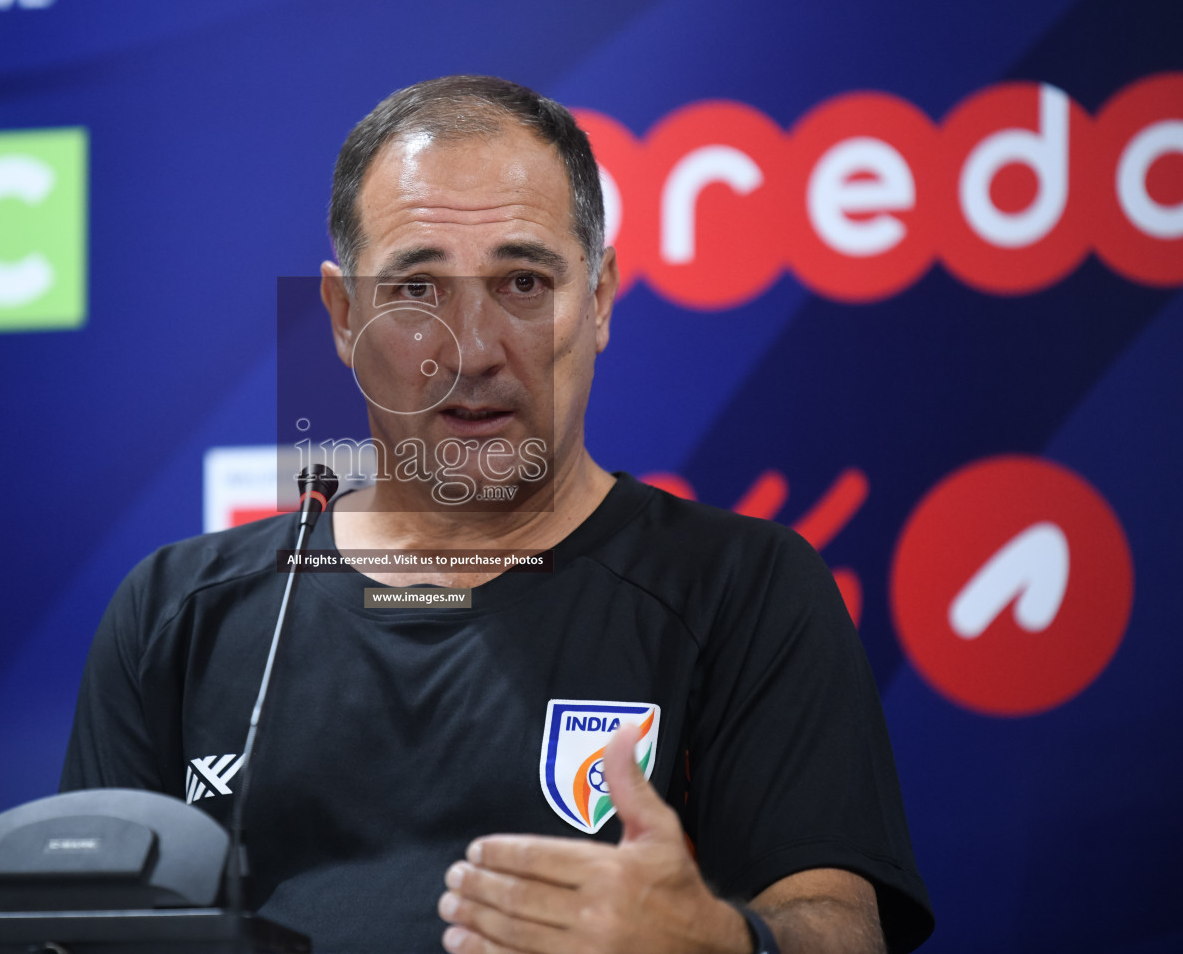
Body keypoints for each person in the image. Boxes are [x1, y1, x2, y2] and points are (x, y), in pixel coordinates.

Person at [61, 76, 933, 954]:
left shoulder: (744, 589)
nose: (471, 352)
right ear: (342, 315)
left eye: (522, 282)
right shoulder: (177, 611)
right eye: (417, 290)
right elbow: (77, 931)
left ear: (597, 300)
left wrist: (720, 943)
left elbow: (841, 927)